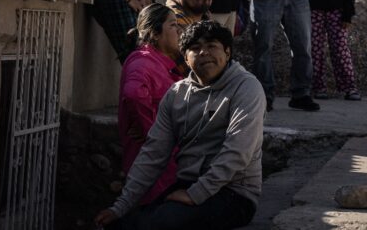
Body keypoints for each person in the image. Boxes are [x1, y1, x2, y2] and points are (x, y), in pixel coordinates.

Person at [94, 21, 265, 230]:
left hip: (234, 193)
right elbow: (153, 154)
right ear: (185, 58)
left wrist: (195, 194)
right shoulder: (176, 94)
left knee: (160, 223)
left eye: (212, 46)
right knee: (124, 224)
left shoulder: (246, 87)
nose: (203, 53)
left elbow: (238, 152)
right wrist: (119, 207)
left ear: (227, 52)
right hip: (187, 185)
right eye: (195, 48)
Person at [120, 3, 183, 205]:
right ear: (155, 34)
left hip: (164, 162)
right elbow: (133, 94)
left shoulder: (162, 63)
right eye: (173, 25)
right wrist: (153, 132)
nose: (179, 31)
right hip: (151, 165)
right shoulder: (143, 62)